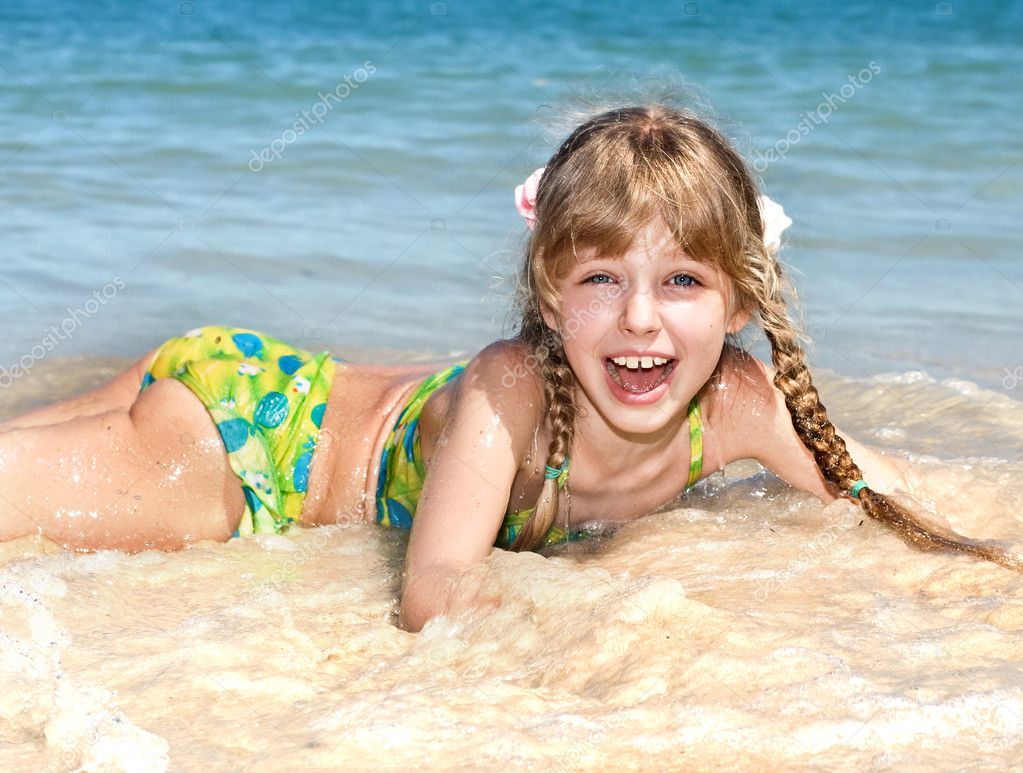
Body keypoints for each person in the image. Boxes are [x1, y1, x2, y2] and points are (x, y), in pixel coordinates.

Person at [0, 103, 1016, 633]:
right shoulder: (509, 388)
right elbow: (432, 587)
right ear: (546, 292)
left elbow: (871, 490)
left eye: (684, 284)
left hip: (268, 382)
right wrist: (595, 631)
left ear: (741, 301)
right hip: (248, 442)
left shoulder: (738, 399)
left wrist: (988, 561)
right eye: (603, 278)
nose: (641, 321)